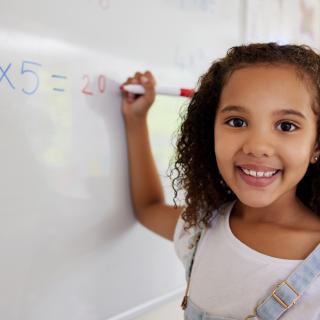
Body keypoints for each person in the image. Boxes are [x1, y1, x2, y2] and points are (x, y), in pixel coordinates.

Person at [120, 43, 320, 319]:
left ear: (316, 145)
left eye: (286, 126)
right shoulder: (201, 229)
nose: (257, 146)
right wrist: (136, 120)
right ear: (209, 130)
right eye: (237, 122)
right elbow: (147, 207)